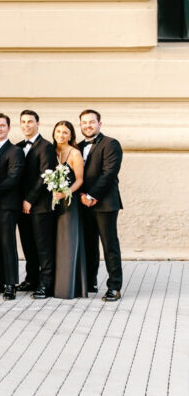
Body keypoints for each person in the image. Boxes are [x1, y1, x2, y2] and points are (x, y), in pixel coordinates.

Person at [78, 109, 124, 302]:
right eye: (84, 123)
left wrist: (92, 194)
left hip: (105, 203)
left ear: (99, 124)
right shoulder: (78, 146)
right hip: (83, 203)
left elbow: (109, 173)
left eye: (92, 122)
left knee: (109, 245)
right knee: (89, 244)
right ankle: (90, 281)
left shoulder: (111, 144)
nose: (88, 125)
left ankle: (114, 286)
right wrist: (82, 195)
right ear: (80, 125)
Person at [20, 110, 58, 299]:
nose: (26, 125)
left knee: (43, 246)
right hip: (22, 206)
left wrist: (30, 200)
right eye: (23, 122)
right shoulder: (18, 146)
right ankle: (31, 278)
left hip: (40, 205)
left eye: (30, 122)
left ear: (38, 124)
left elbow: (45, 175)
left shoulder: (46, 147)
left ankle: (46, 284)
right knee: (28, 245)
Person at [0, 113, 25, 300]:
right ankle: (1, 280)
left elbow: (13, 178)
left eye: (3, 125)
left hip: (7, 205)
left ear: (9, 128)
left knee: (8, 244)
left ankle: (11, 284)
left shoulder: (15, 151)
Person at [52, 120, 87, 299]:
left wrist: (66, 192)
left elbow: (80, 180)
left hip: (69, 203)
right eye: (58, 132)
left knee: (67, 242)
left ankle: (68, 287)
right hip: (52, 204)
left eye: (65, 132)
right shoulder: (52, 151)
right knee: (54, 243)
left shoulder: (75, 153)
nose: (61, 135)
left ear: (71, 135)